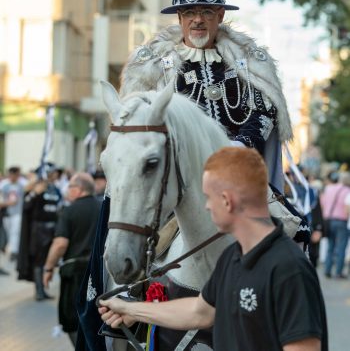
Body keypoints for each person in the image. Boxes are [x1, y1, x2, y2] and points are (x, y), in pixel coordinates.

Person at [98, 147, 328, 351]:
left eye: (208, 197)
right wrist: (131, 310)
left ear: (227, 201)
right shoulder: (232, 257)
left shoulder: (289, 268)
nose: (206, 206)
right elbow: (200, 312)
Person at [120, 0, 293, 194]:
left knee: (296, 227)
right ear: (179, 18)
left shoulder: (248, 63)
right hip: (177, 181)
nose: (198, 20)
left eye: (207, 12)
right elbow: (139, 123)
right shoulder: (155, 68)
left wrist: (238, 146)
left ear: (220, 16)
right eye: (190, 12)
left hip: (239, 175)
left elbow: (264, 110)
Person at [43, 172, 101, 347]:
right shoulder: (103, 208)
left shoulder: (69, 211)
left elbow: (60, 244)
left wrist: (48, 268)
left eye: (70, 187)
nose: (67, 190)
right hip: (98, 271)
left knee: (72, 320)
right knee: (96, 318)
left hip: (75, 274)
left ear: (79, 189)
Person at [17, 162, 62, 300]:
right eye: (53, 172)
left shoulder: (55, 188)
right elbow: (26, 206)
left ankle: (44, 288)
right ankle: (39, 291)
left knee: (50, 260)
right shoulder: (37, 188)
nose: (55, 175)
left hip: (53, 228)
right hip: (39, 230)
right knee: (39, 261)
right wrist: (35, 193)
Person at [321, 171, 350, 279]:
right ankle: (338, 272)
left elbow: (323, 203)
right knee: (341, 247)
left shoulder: (329, 188)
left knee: (330, 246)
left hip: (328, 220)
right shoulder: (348, 191)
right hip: (342, 221)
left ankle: (327, 270)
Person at [0, 166, 27, 261]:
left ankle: (14, 252)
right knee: (8, 233)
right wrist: (7, 203)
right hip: (7, 213)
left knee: (15, 232)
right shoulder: (4, 185)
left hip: (17, 213)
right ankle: (10, 249)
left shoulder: (22, 185)